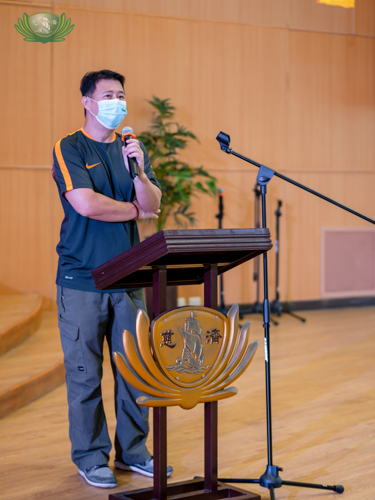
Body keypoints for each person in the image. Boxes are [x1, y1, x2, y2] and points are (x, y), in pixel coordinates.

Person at [52, 69, 172, 489]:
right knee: (85, 375)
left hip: (129, 276)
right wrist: (136, 211)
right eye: (107, 94)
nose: (116, 101)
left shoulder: (130, 148)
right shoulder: (70, 146)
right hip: (81, 278)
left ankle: (134, 452)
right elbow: (86, 204)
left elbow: (153, 201)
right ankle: (91, 456)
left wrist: (138, 171)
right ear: (87, 101)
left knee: (135, 371)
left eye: (120, 94)